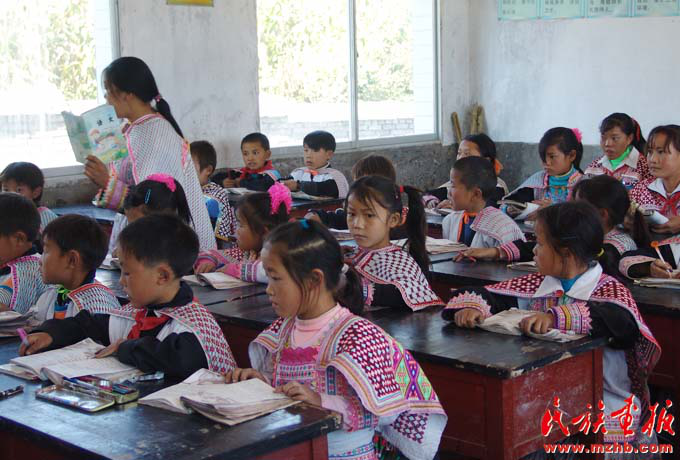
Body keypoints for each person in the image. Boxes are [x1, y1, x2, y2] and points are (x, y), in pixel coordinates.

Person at [443, 201, 660, 448]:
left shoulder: (609, 290)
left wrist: (555, 317)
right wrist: (473, 307)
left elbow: (620, 323)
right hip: (548, 393)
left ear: (566, 253)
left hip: (605, 402)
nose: (534, 251)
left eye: (540, 244)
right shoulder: (538, 284)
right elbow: (490, 294)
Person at [226, 220, 446, 460]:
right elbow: (284, 388)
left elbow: (385, 411)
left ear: (314, 280)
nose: (268, 289)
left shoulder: (359, 337)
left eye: (276, 278)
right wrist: (262, 383)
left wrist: (321, 401)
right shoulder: (281, 331)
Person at [21, 215, 236, 379]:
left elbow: (178, 359)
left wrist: (125, 347)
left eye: (127, 273)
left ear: (162, 276)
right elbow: (89, 325)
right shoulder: (139, 313)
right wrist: (51, 334)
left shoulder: (194, 326)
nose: (122, 282)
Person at [83, 56, 215, 251]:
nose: (106, 99)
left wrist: (107, 183)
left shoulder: (154, 133)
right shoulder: (132, 129)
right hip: (143, 236)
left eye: (108, 92)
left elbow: (153, 203)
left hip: (164, 246)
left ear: (126, 94)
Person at [344, 176, 442, 311]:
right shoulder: (349, 254)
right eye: (351, 214)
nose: (357, 224)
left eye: (369, 215)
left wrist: (349, 288)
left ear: (393, 220)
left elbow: (406, 294)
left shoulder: (400, 262)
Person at [194, 183, 291, 283]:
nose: (236, 231)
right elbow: (212, 254)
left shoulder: (279, 258)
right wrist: (208, 260)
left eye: (240, 225)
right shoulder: (248, 253)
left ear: (265, 233)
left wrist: (233, 270)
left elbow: (265, 271)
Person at [35, 215, 120, 321]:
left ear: (72, 260)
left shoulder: (95, 310)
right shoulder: (51, 295)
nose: (40, 261)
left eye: (46, 251)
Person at [585, 113, 650, 189]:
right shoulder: (594, 166)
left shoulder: (644, 167)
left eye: (614, 138)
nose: (607, 144)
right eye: (603, 138)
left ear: (629, 138)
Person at [282, 130, 349, 198]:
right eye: (306, 150)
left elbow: (323, 188)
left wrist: (298, 186)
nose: (308, 155)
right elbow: (286, 183)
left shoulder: (335, 177)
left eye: (315, 151)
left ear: (329, 154)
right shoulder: (299, 173)